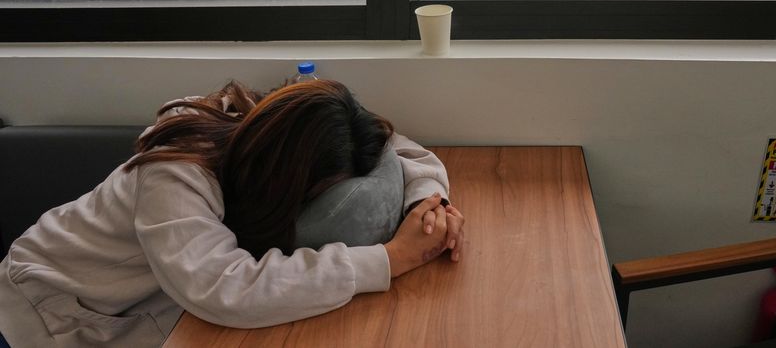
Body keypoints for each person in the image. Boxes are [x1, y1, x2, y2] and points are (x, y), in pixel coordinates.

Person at [0, 80, 465, 348]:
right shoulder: (174, 177)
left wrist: (429, 206)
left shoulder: (273, 123)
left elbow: (396, 148)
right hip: (39, 307)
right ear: (286, 179)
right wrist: (390, 260)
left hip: (149, 303)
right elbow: (220, 287)